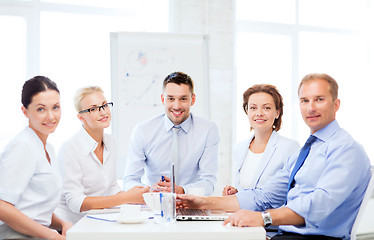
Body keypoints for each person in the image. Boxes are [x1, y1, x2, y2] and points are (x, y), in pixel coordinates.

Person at [177, 73, 371, 240]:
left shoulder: (346, 149)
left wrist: (263, 218)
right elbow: (264, 196)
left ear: (336, 104)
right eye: (304, 101)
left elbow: (319, 204)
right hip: (287, 235)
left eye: (319, 99)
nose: (310, 107)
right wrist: (202, 202)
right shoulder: (306, 152)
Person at [55, 86, 149, 223]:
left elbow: (111, 187)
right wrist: (126, 197)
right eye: (93, 109)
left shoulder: (111, 141)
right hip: (69, 226)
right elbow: (75, 203)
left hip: (96, 220)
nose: (103, 112)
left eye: (104, 105)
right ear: (81, 117)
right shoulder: (70, 147)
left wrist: (139, 197)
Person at [123, 71, 220, 195]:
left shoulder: (208, 130)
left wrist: (182, 191)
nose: (177, 106)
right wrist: (151, 191)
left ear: (193, 99)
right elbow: (130, 180)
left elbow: (209, 182)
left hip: (192, 204)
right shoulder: (143, 130)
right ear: (163, 99)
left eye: (183, 99)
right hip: (154, 204)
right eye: (171, 99)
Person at [0, 76, 72, 239]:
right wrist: (52, 236)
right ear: (25, 111)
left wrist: (62, 224)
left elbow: (35, 209)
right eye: (41, 109)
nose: (51, 116)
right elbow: (2, 207)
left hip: (35, 234)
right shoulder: (23, 146)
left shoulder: (47, 148)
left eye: (55, 107)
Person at [223, 84, 299, 196]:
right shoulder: (239, 148)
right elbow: (248, 192)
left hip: (271, 213)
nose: (259, 113)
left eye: (266, 108)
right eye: (253, 108)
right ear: (247, 111)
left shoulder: (290, 147)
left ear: (277, 112)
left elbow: (293, 192)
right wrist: (236, 194)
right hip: (242, 212)